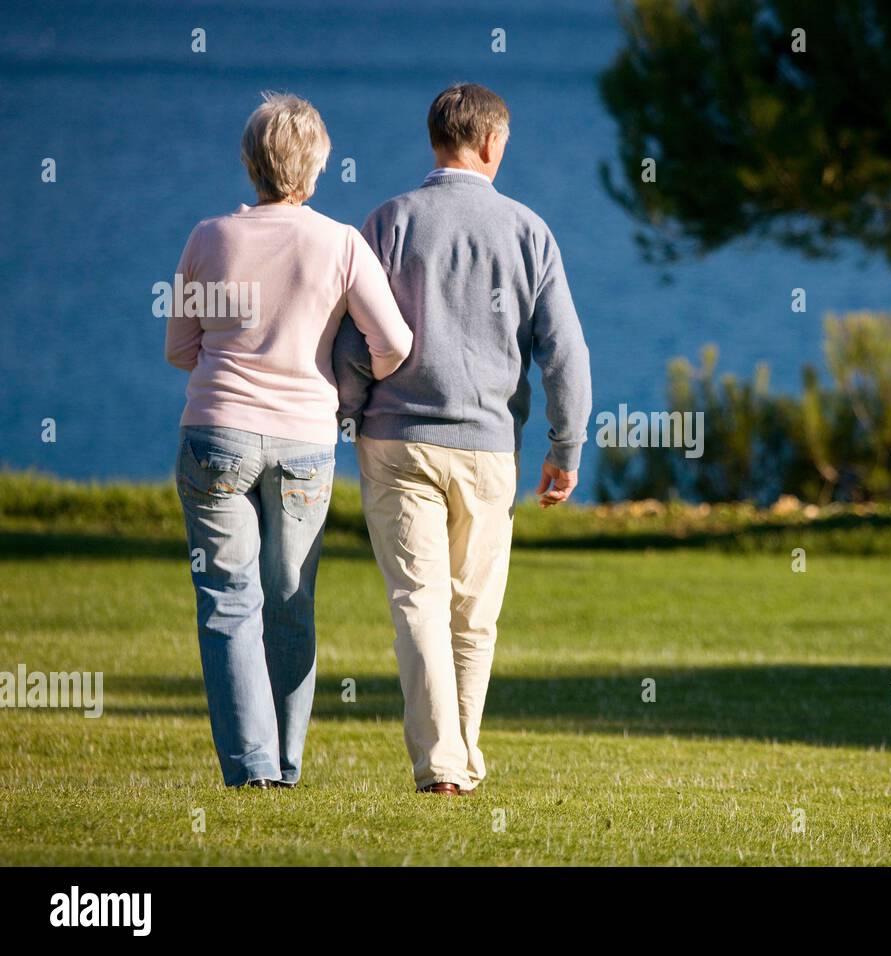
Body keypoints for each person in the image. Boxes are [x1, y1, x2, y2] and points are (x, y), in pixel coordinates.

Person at [334, 82, 592, 796]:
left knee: (417, 602)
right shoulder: (528, 230)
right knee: (473, 614)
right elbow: (565, 352)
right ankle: (457, 760)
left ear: (434, 140)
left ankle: (444, 765)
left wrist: (350, 409)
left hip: (395, 440)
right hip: (486, 448)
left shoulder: (388, 223)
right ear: (491, 145)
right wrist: (564, 451)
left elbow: (356, 341)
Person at [166, 92, 413, 788]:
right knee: (290, 601)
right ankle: (286, 764)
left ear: (251, 162)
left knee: (226, 602)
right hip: (307, 441)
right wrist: (343, 378)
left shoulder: (208, 237)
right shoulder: (340, 243)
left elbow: (181, 350)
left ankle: (251, 771)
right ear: (317, 168)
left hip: (216, 434)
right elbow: (393, 343)